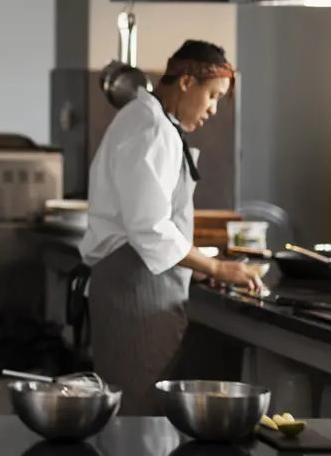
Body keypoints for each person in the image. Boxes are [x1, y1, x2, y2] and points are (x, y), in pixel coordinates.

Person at [77, 39, 262, 416]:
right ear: (186, 82)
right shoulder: (151, 127)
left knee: (138, 410)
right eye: (212, 96)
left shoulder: (150, 120)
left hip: (141, 284)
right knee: (138, 412)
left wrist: (193, 270)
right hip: (135, 288)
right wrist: (215, 267)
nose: (213, 109)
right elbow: (149, 228)